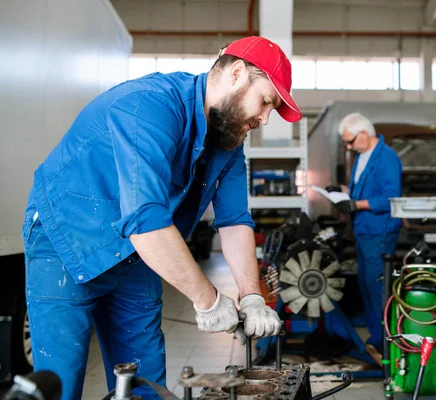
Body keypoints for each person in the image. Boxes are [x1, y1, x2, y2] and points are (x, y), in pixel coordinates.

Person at [21, 36, 301, 400]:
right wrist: (209, 300)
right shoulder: (151, 106)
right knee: (60, 382)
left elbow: (234, 221)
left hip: (137, 252)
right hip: (67, 236)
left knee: (145, 382)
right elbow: (145, 219)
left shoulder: (228, 142)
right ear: (236, 74)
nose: (264, 118)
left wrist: (251, 296)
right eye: (266, 101)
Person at [326, 112, 402, 353]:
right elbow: (360, 190)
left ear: (365, 134)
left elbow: (390, 198)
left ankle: (385, 340)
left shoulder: (387, 158)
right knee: (365, 284)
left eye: (350, 141)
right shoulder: (361, 156)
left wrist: (356, 205)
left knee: (377, 286)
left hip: (380, 232)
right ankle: (376, 335)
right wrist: (340, 190)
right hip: (363, 230)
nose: (348, 147)